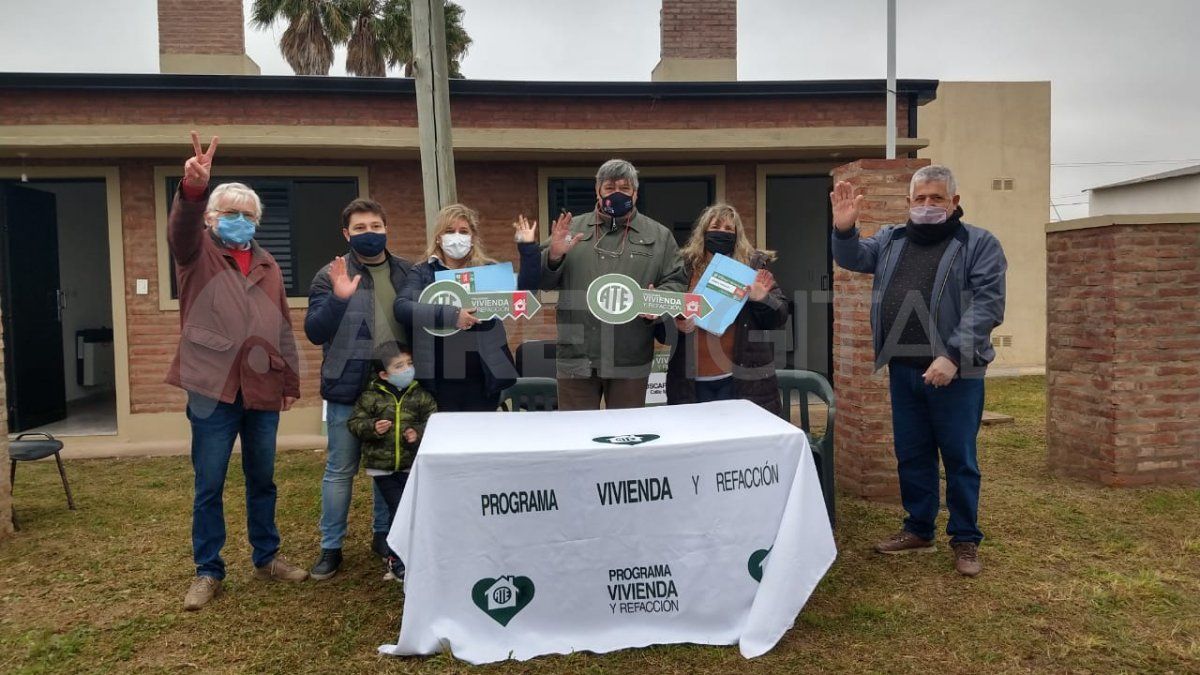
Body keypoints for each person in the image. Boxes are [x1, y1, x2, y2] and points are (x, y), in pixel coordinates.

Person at [830, 164, 1007, 577]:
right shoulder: (892, 238)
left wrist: (952, 355)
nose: (927, 205)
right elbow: (855, 257)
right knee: (912, 453)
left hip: (956, 371)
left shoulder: (979, 244)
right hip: (904, 367)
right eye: (920, 198)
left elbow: (988, 304)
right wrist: (843, 230)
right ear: (908, 202)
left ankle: (965, 538)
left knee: (959, 457)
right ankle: (919, 527)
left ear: (954, 202)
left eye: (937, 198)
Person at [167, 131, 308, 612]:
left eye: (248, 216)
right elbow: (180, 229)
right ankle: (208, 570)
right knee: (209, 483)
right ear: (211, 218)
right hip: (212, 388)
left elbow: (283, 324)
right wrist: (192, 189)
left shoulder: (268, 263)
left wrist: (289, 381)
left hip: (263, 387)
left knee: (262, 478)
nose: (240, 222)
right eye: (230, 213)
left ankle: (267, 557)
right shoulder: (196, 252)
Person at [303, 198, 413, 580]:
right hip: (347, 386)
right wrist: (338, 298)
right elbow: (315, 331)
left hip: (394, 385)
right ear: (347, 234)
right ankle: (330, 547)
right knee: (340, 469)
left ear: (386, 228)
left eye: (376, 226)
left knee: (388, 464)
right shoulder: (328, 275)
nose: (370, 234)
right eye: (361, 228)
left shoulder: (406, 272)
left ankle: (384, 537)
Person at [538, 159, 687, 410]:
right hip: (577, 356)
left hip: (630, 356)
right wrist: (553, 256)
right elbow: (539, 282)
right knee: (577, 437)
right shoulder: (571, 230)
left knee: (627, 438)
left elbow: (677, 282)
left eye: (625, 188)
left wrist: (658, 301)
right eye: (609, 188)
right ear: (598, 191)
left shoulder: (659, 236)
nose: (617, 194)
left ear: (636, 193)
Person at [395, 204, 540, 411]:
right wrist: (452, 315)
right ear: (438, 237)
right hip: (439, 382)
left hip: (483, 380)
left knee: (481, 439)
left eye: (463, 232)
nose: (457, 237)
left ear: (473, 238)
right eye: (449, 231)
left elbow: (526, 295)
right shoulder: (422, 272)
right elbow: (402, 308)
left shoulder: (487, 271)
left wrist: (528, 248)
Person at [657, 204, 788, 413]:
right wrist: (676, 325)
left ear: (737, 235)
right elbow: (662, 324)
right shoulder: (684, 267)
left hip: (741, 381)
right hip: (690, 383)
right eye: (716, 226)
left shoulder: (752, 267)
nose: (722, 232)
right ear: (703, 232)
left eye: (729, 229)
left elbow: (779, 317)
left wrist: (762, 298)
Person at [347, 342, 437, 582]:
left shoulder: (420, 395)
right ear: (384, 374)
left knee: (406, 509)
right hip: (382, 468)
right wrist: (373, 428)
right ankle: (396, 559)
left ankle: (406, 554)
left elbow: (434, 421)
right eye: (399, 366)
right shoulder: (370, 397)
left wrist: (417, 432)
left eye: (409, 363)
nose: (407, 369)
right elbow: (355, 423)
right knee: (399, 509)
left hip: (410, 466)